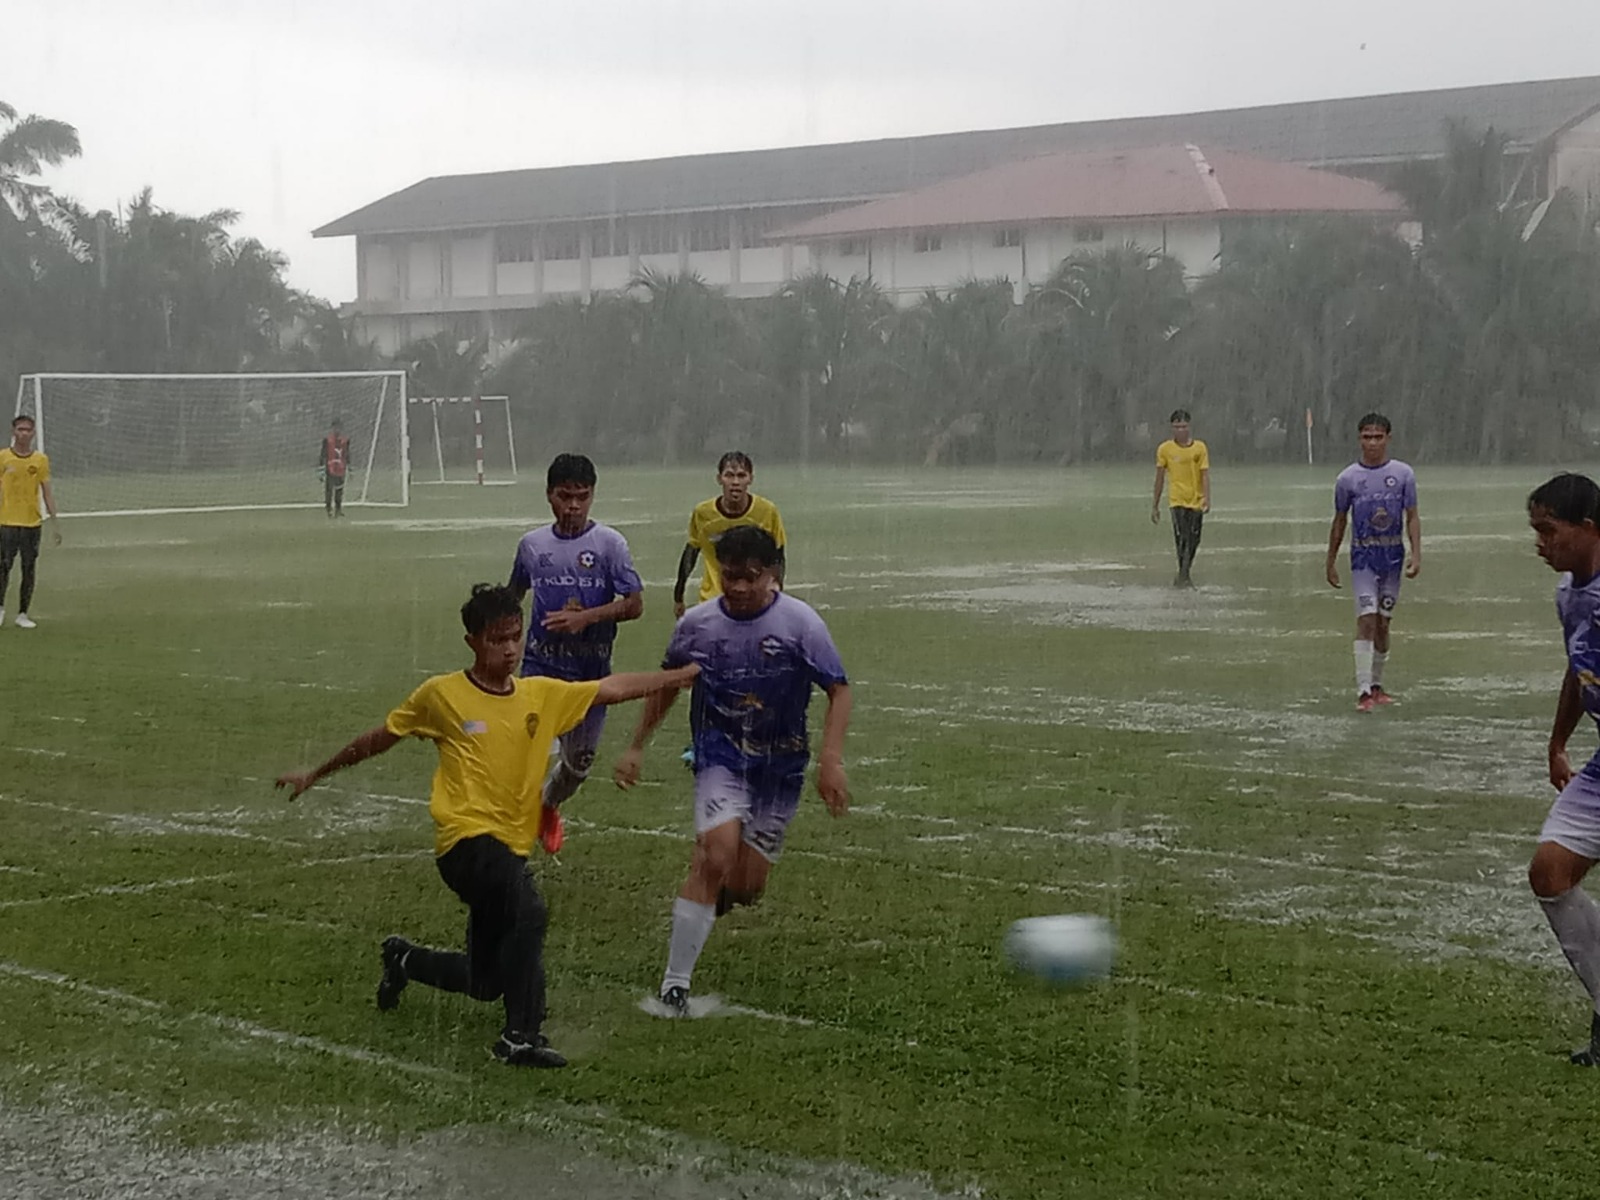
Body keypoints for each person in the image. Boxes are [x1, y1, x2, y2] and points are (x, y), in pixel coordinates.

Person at [275, 583, 696, 1068]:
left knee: (486, 980)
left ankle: (404, 960)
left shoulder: (540, 695)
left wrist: (677, 677)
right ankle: (521, 1036)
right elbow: (380, 738)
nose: (511, 649)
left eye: (516, 637)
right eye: (499, 639)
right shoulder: (442, 695)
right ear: (473, 641)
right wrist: (316, 772)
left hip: (509, 849)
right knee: (529, 910)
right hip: (464, 843)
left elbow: (610, 688)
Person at [615, 526, 851, 1016]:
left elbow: (838, 689)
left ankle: (705, 902)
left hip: (779, 768)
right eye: (730, 576)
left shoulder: (800, 623)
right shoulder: (698, 625)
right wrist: (636, 745)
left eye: (751, 577)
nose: (740, 587)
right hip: (720, 756)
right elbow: (668, 683)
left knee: (745, 887)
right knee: (714, 854)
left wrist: (830, 759)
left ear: (773, 575)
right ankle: (674, 986)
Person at [509, 453, 643, 856]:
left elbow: (634, 604)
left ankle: (547, 806)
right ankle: (509, 835)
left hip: (590, 674)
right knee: (526, 756)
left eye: (582, 497)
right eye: (565, 496)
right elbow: (513, 599)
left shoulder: (609, 545)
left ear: (592, 496)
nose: (573, 506)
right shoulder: (532, 546)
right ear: (549, 495)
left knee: (578, 767)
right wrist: (503, 645)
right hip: (540, 667)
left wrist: (587, 618)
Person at [1525, 472, 1600, 1065]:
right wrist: (1557, 742)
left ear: (1588, 528)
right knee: (1551, 873)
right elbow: (1579, 670)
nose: (1540, 543)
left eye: (1549, 531)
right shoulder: (1569, 596)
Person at [1325, 412, 1420, 713]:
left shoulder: (1403, 474)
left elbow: (1412, 516)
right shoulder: (1348, 478)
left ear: (1388, 439)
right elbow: (1339, 521)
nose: (1372, 443)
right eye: (1367, 437)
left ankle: (1378, 686)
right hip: (1363, 558)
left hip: (1392, 558)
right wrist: (1330, 560)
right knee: (1365, 619)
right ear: (1359, 439)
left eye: (1378, 437)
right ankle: (1363, 691)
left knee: (1382, 624)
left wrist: (1416, 554)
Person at [673, 451, 787, 619]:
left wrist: (777, 593)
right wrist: (678, 596)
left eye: (741, 476)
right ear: (719, 479)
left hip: (753, 600)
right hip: (712, 600)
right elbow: (691, 552)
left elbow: (778, 555)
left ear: (750, 479)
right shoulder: (703, 513)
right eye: (729, 475)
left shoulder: (767, 511)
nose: (735, 482)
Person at [0, 414, 62, 629]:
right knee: (3, 566)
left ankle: (23, 613)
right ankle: (0, 609)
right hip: (7, 522)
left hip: (31, 523)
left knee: (28, 568)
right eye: (20, 429)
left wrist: (54, 522)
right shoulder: (4, 457)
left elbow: (47, 492)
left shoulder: (40, 460)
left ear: (33, 433)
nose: (24, 433)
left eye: (28, 430)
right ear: (13, 432)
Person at [1150, 409, 1210, 588]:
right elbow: (1160, 477)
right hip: (1177, 500)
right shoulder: (1165, 449)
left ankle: (1184, 573)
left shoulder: (1200, 448)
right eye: (1177, 427)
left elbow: (1204, 474)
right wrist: (1155, 504)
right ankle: (1184, 575)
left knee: (1194, 539)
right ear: (1172, 428)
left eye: (1183, 426)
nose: (1180, 431)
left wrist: (1207, 498)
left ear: (1189, 427)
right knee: (1182, 537)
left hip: (1196, 499)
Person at [319, 418, 351, 518]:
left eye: (339, 428)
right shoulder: (327, 440)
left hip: (341, 468)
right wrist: (321, 469)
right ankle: (329, 509)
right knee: (329, 489)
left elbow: (347, 454)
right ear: (332, 428)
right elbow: (323, 454)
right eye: (335, 427)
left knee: (339, 490)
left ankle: (338, 509)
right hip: (330, 467)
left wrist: (349, 467)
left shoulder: (345, 441)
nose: (337, 430)